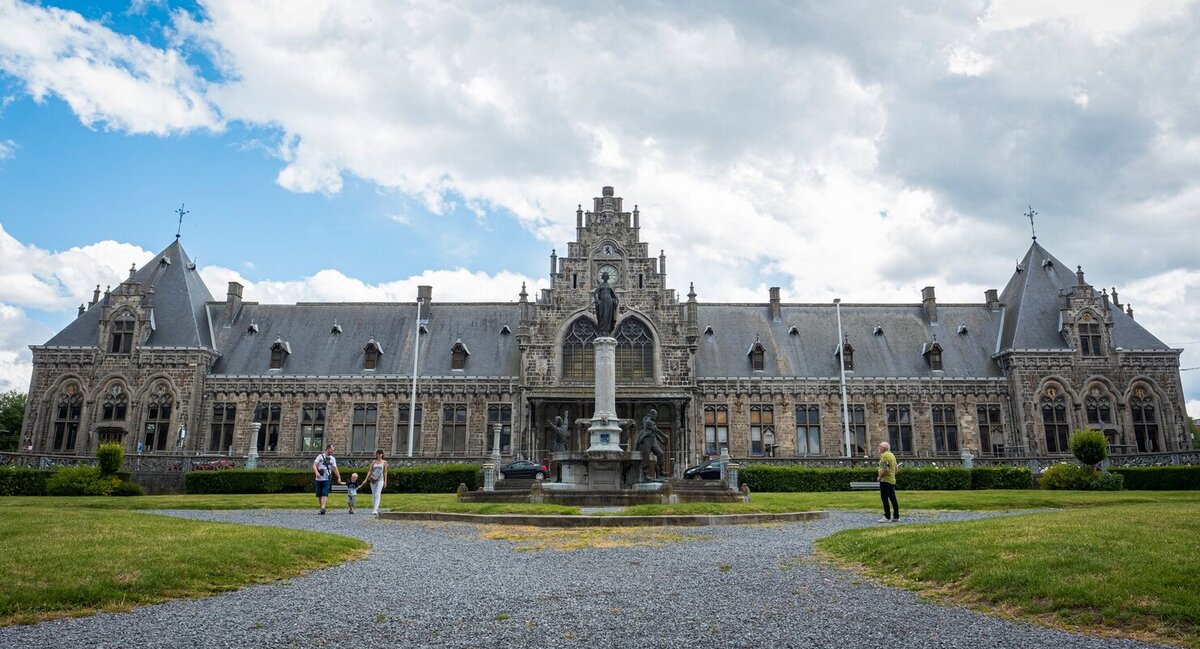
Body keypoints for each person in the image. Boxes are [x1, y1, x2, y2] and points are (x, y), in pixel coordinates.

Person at [635, 409, 667, 479]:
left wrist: (662, 441)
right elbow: (657, 430)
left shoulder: (652, 421)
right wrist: (664, 436)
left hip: (653, 440)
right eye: (654, 415)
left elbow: (655, 433)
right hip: (646, 440)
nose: (655, 416)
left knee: (660, 454)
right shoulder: (648, 421)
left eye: (656, 415)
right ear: (651, 414)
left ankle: (660, 470)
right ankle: (646, 473)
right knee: (646, 456)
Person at [312, 443, 343, 515]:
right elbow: (314, 465)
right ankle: (322, 508)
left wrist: (339, 477)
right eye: (332, 450)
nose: (333, 451)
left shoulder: (333, 459)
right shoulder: (320, 457)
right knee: (319, 494)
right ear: (328, 449)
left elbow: (335, 469)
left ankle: (323, 507)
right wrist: (316, 473)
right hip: (319, 478)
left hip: (327, 478)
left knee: (324, 493)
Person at [877, 441, 899, 523]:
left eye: (879, 446)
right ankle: (896, 516)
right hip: (892, 480)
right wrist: (892, 475)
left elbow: (885, 469)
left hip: (885, 480)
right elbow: (896, 469)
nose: (878, 448)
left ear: (883, 448)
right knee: (893, 499)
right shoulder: (892, 455)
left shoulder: (884, 456)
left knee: (884, 498)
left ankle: (887, 516)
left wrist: (880, 477)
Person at [593, 271, 618, 336]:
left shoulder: (610, 286)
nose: (605, 277)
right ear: (602, 277)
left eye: (606, 276)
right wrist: (597, 299)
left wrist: (615, 301)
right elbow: (596, 293)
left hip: (609, 302)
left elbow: (614, 295)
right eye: (604, 276)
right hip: (602, 302)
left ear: (608, 277)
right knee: (602, 315)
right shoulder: (600, 285)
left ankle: (607, 330)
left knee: (608, 316)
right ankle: (602, 330)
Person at [366, 449, 388, 516]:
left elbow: (385, 472)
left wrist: (385, 481)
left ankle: (375, 509)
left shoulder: (384, 462)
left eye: (380, 454)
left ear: (382, 455)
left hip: (380, 479)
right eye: (377, 454)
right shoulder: (373, 462)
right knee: (374, 494)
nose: (379, 455)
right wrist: (366, 479)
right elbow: (370, 471)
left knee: (377, 494)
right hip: (373, 479)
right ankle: (374, 507)